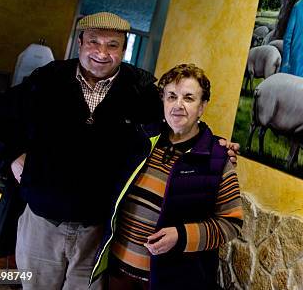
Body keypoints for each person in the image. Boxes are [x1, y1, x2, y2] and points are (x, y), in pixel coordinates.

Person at [0, 12, 239, 290]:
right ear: (80, 42)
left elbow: (176, 121)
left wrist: (213, 145)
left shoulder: (142, 90)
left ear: (123, 48)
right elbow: (2, 119)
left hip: (98, 232)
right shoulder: (47, 79)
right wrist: (10, 157)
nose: (101, 53)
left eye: (112, 45)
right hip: (42, 223)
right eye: (94, 42)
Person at [91, 63, 242, 289]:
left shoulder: (217, 160)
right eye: (171, 96)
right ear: (163, 100)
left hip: (171, 280)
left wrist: (181, 236)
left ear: (202, 107)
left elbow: (232, 223)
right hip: (119, 272)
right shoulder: (140, 141)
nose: (178, 106)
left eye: (189, 98)